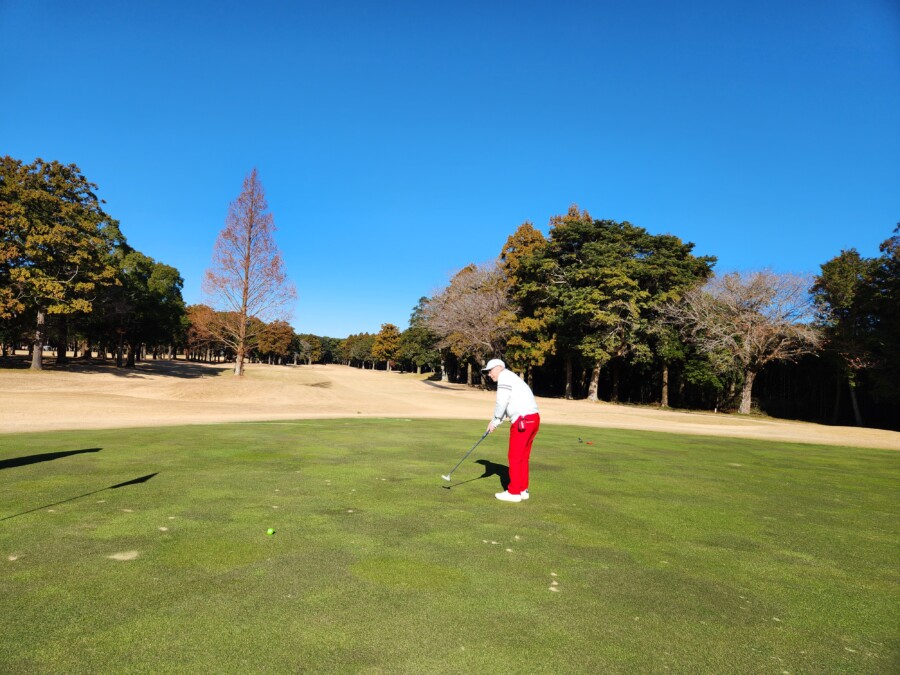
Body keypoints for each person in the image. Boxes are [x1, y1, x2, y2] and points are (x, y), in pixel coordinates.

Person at [482, 358, 540, 503]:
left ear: (498, 368)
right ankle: (522, 489)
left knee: (514, 456)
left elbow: (502, 402)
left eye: (490, 371)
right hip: (533, 419)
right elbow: (509, 405)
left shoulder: (504, 377)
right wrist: (496, 422)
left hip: (523, 421)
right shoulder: (511, 377)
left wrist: (495, 419)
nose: (489, 374)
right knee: (522, 457)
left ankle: (514, 492)